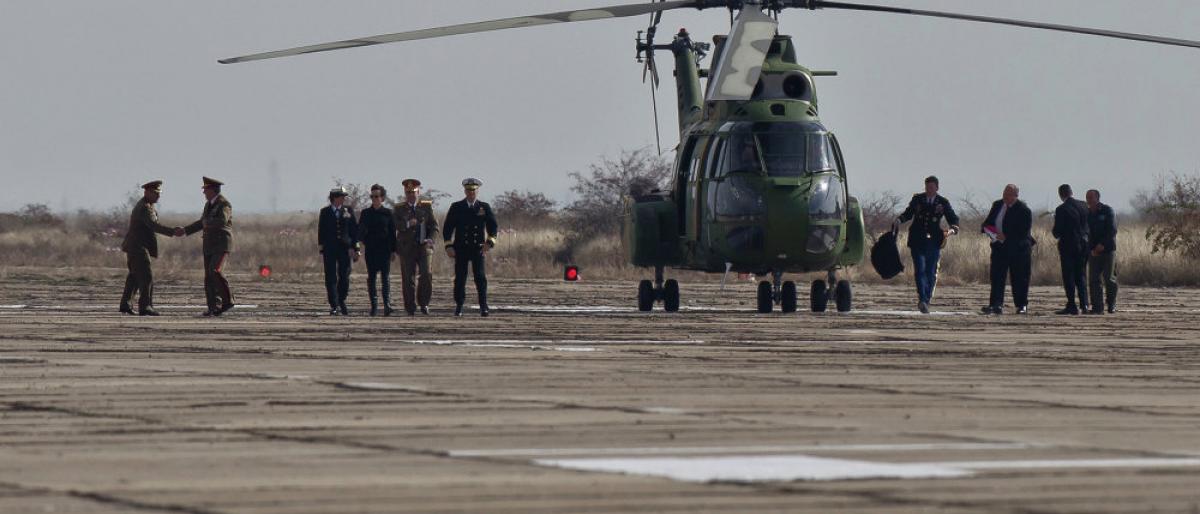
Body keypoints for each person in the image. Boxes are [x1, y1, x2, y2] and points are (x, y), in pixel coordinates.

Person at [894, 175, 960, 313]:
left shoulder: (943, 202)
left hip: (934, 241)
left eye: (931, 187)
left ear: (937, 188)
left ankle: (927, 298)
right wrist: (899, 220)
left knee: (930, 271)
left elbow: (953, 218)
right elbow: (909, 213)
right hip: (917, 239)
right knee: (919, 269)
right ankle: (922, 298)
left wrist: (952, 230)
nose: (929, 189)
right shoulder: (917, 199)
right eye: (927, 187)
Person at [119, 181, 183, 316]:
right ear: (147, 192)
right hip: (138, 247)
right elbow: (153, 225)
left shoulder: (147, 206)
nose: (158, 196)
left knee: (134, 276)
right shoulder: (144, 208)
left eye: (159, 194)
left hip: (135, 246)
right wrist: (172, 231)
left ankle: (126, 304)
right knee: (146, 277)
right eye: (155, 193)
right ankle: (145, 306)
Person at [443, 178, 498, 317]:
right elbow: (447, 228)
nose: (471, 193)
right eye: (468, 190)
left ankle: (483, 306)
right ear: (465, 191)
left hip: (477, 248)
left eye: (473, 190)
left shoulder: (484, 207)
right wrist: (448, 246)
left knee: (480, 277)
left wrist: (489, 243)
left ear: (477, 191)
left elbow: (493, 227)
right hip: (461, 248)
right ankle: (459, 305)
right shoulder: (456, 207)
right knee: (460, 278)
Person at [181, 177, 234, 317]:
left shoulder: (224, 204)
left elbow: (222, 220)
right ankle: (213, 307)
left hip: (221, 244)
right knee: (209, 277)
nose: (204, 192)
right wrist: (185, 230)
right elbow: (201, 222)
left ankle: (228, 301)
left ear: (213, 190)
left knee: (215, 271)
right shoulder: (208, 205)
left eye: (206, 190)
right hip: (209, 245)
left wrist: (207, 223)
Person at [980, 184, 1034, 315]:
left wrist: (1006, 236)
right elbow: (987, 224)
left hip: (1019, 250)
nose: (1005, 197)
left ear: (1016, 195)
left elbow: (1023, 232)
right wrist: (992, 232)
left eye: (1009, 194)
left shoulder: (1024, 210)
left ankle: (1021, 305)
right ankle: (995, 305)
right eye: (1004, 193)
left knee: (1019, 278)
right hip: (999, 248)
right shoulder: (997, 205)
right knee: (997, 277)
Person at [394, 179, 439, 315]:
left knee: (426, 274)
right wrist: (407, 224)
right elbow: (395, 225)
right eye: (408, 193)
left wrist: (431, 239)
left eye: (413, 192)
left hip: (423, 246)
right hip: (407, 247)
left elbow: (434, 227)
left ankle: (424, 303)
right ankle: (410, 307)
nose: (411, 195)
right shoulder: (399, 208)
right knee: (408, 278)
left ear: (418, 192)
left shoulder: (426, 206)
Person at [318, 187, 360, 315]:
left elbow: (354, 230)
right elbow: (321, 230)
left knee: (344, 276)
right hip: (330, 248)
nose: (343, 199)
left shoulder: (348, 210)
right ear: (334, 198)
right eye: (341, 196)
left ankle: (342, 300)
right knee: (330, 277)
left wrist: (356, 248)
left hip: (344, 248)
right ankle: (334, 304)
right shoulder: (325, 212)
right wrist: (321, 248)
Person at [358, 184, 397, 316]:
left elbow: (392, 233)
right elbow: (360, 232)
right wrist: (362, 241)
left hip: (385, 250)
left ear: (382, 198)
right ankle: (374, 306)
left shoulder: (388, 213)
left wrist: (393, 250)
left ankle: (387, 305)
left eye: (377, 196)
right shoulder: (366, 213)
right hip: (371, 250)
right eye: (372, 196)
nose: (374, 198)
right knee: (372, 278)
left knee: (385, 278)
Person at [1052, 184, 1090, 315]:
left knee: (1069, 276)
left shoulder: (1061, 209)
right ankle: (1085, 304)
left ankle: (1072, 305)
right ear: (1071, 192)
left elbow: (1057, 232)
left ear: (1061, 195)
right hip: (1084, 245)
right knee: (1081, 275)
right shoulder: (1084, 205)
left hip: (1068, 246)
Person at [1086, 189, 1119, 314]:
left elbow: (1112, 230)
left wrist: (1102, 244)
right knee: (1094, 279)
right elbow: (1086, 232)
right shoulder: (1087, 213)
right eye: (1087, 197)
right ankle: (1097, 307)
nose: (1088, 200)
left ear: (1097, 198)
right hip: (1093, 252)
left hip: (1108, 250)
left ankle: (1111, 304)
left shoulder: (1107, 211)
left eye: (1091, 197)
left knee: (1109, 278)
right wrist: (1092, 248)